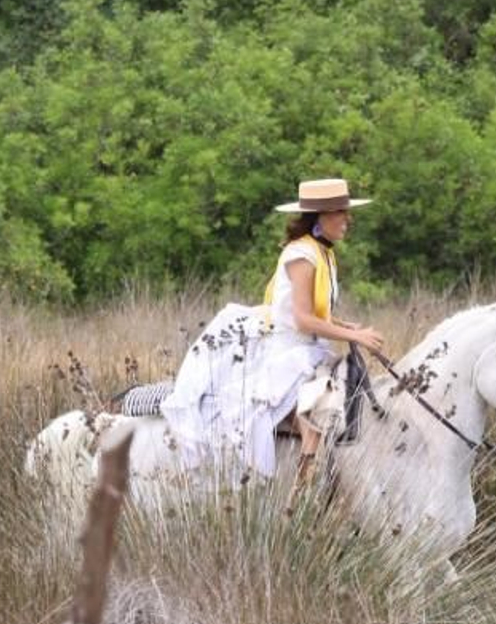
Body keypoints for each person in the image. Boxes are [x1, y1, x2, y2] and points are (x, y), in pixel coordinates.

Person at [160, 177, 385, 483]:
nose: (348, 219)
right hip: (288, 352)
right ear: (321, 217)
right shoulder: (301, 256)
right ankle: (301, 491)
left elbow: (314, 312)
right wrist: (355, 337)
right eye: (341, 212)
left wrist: (343, 325)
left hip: (310, 348)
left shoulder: (323, 252)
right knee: (316, 415)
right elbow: (303, 320)